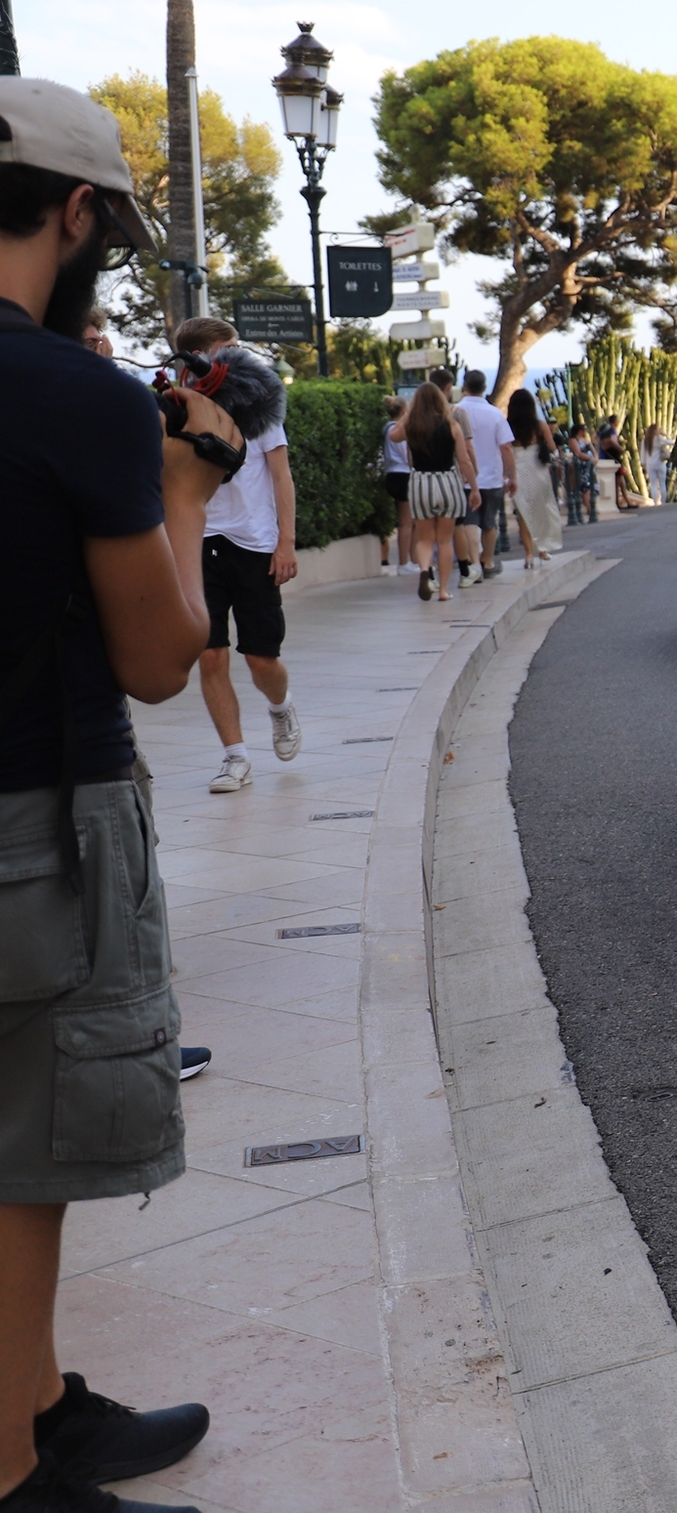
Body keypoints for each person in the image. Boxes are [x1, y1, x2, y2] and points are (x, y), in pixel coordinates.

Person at [0, 74, 235, 1513]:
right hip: (36, 824)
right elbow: (159, 660)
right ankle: (20, 1468)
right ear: (76, 211)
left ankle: (34, 1405)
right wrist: (186, 496)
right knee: (25, 1149)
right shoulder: (70, 397)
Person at [171, 318, 299, 795]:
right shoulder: (175, 408)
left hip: (254, 542)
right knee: (210, 656)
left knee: (262, 661)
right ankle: (235, 756)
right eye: (228, 350)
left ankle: (280, 707)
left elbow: (281, 477)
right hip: (200, 541)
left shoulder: (257, 404)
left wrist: (286, 542)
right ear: (201, 359)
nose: (239, 358)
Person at [390, 380, 477, 601]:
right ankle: (445, 590)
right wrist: (474, 488)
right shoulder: (451, 426)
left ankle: (425, 572)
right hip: (448, 481)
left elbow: (394, 435)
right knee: (445, 540)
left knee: (425, 539)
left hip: (420, 483)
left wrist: (408, 414)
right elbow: (464, 461)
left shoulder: (412, 427)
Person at [449, 371, 511, 584]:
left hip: (465, 478)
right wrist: (511, 476)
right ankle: (488, 562)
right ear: (484, 387)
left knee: (468, 522)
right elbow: (506, 447)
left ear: (464, 386)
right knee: (489, 523)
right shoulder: (495, 414)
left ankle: (473, 562)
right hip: (492, 477)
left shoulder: (455, 411)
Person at [505, 389, 562, 563]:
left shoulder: (508, 426)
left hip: (518, 469)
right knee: (542, 509)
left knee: (523, 512)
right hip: (538, 470)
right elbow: (552, 448)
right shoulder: (540, 425)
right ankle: (543, 549)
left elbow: (505, 450)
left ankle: (528, 554)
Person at [381, 394, 416, 574]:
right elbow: (406, 454)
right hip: (403, 474)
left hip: (392, 473)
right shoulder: (398, 430)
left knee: (408, 521)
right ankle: (404, 562)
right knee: (407, 522)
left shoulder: (386, 428)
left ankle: (410, 561)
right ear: (404, 411)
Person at [641, 422, 670, 506]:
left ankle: (655, 502)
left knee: (653, 484)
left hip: (650, 464)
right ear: (655, 431)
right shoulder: (659, 439)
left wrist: (643, 463)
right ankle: (663, 503)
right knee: (662, 484)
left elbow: (643, 453)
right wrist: (666, 435)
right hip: (660, 463)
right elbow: (671, 442)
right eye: (658, 429)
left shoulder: (645, 441)